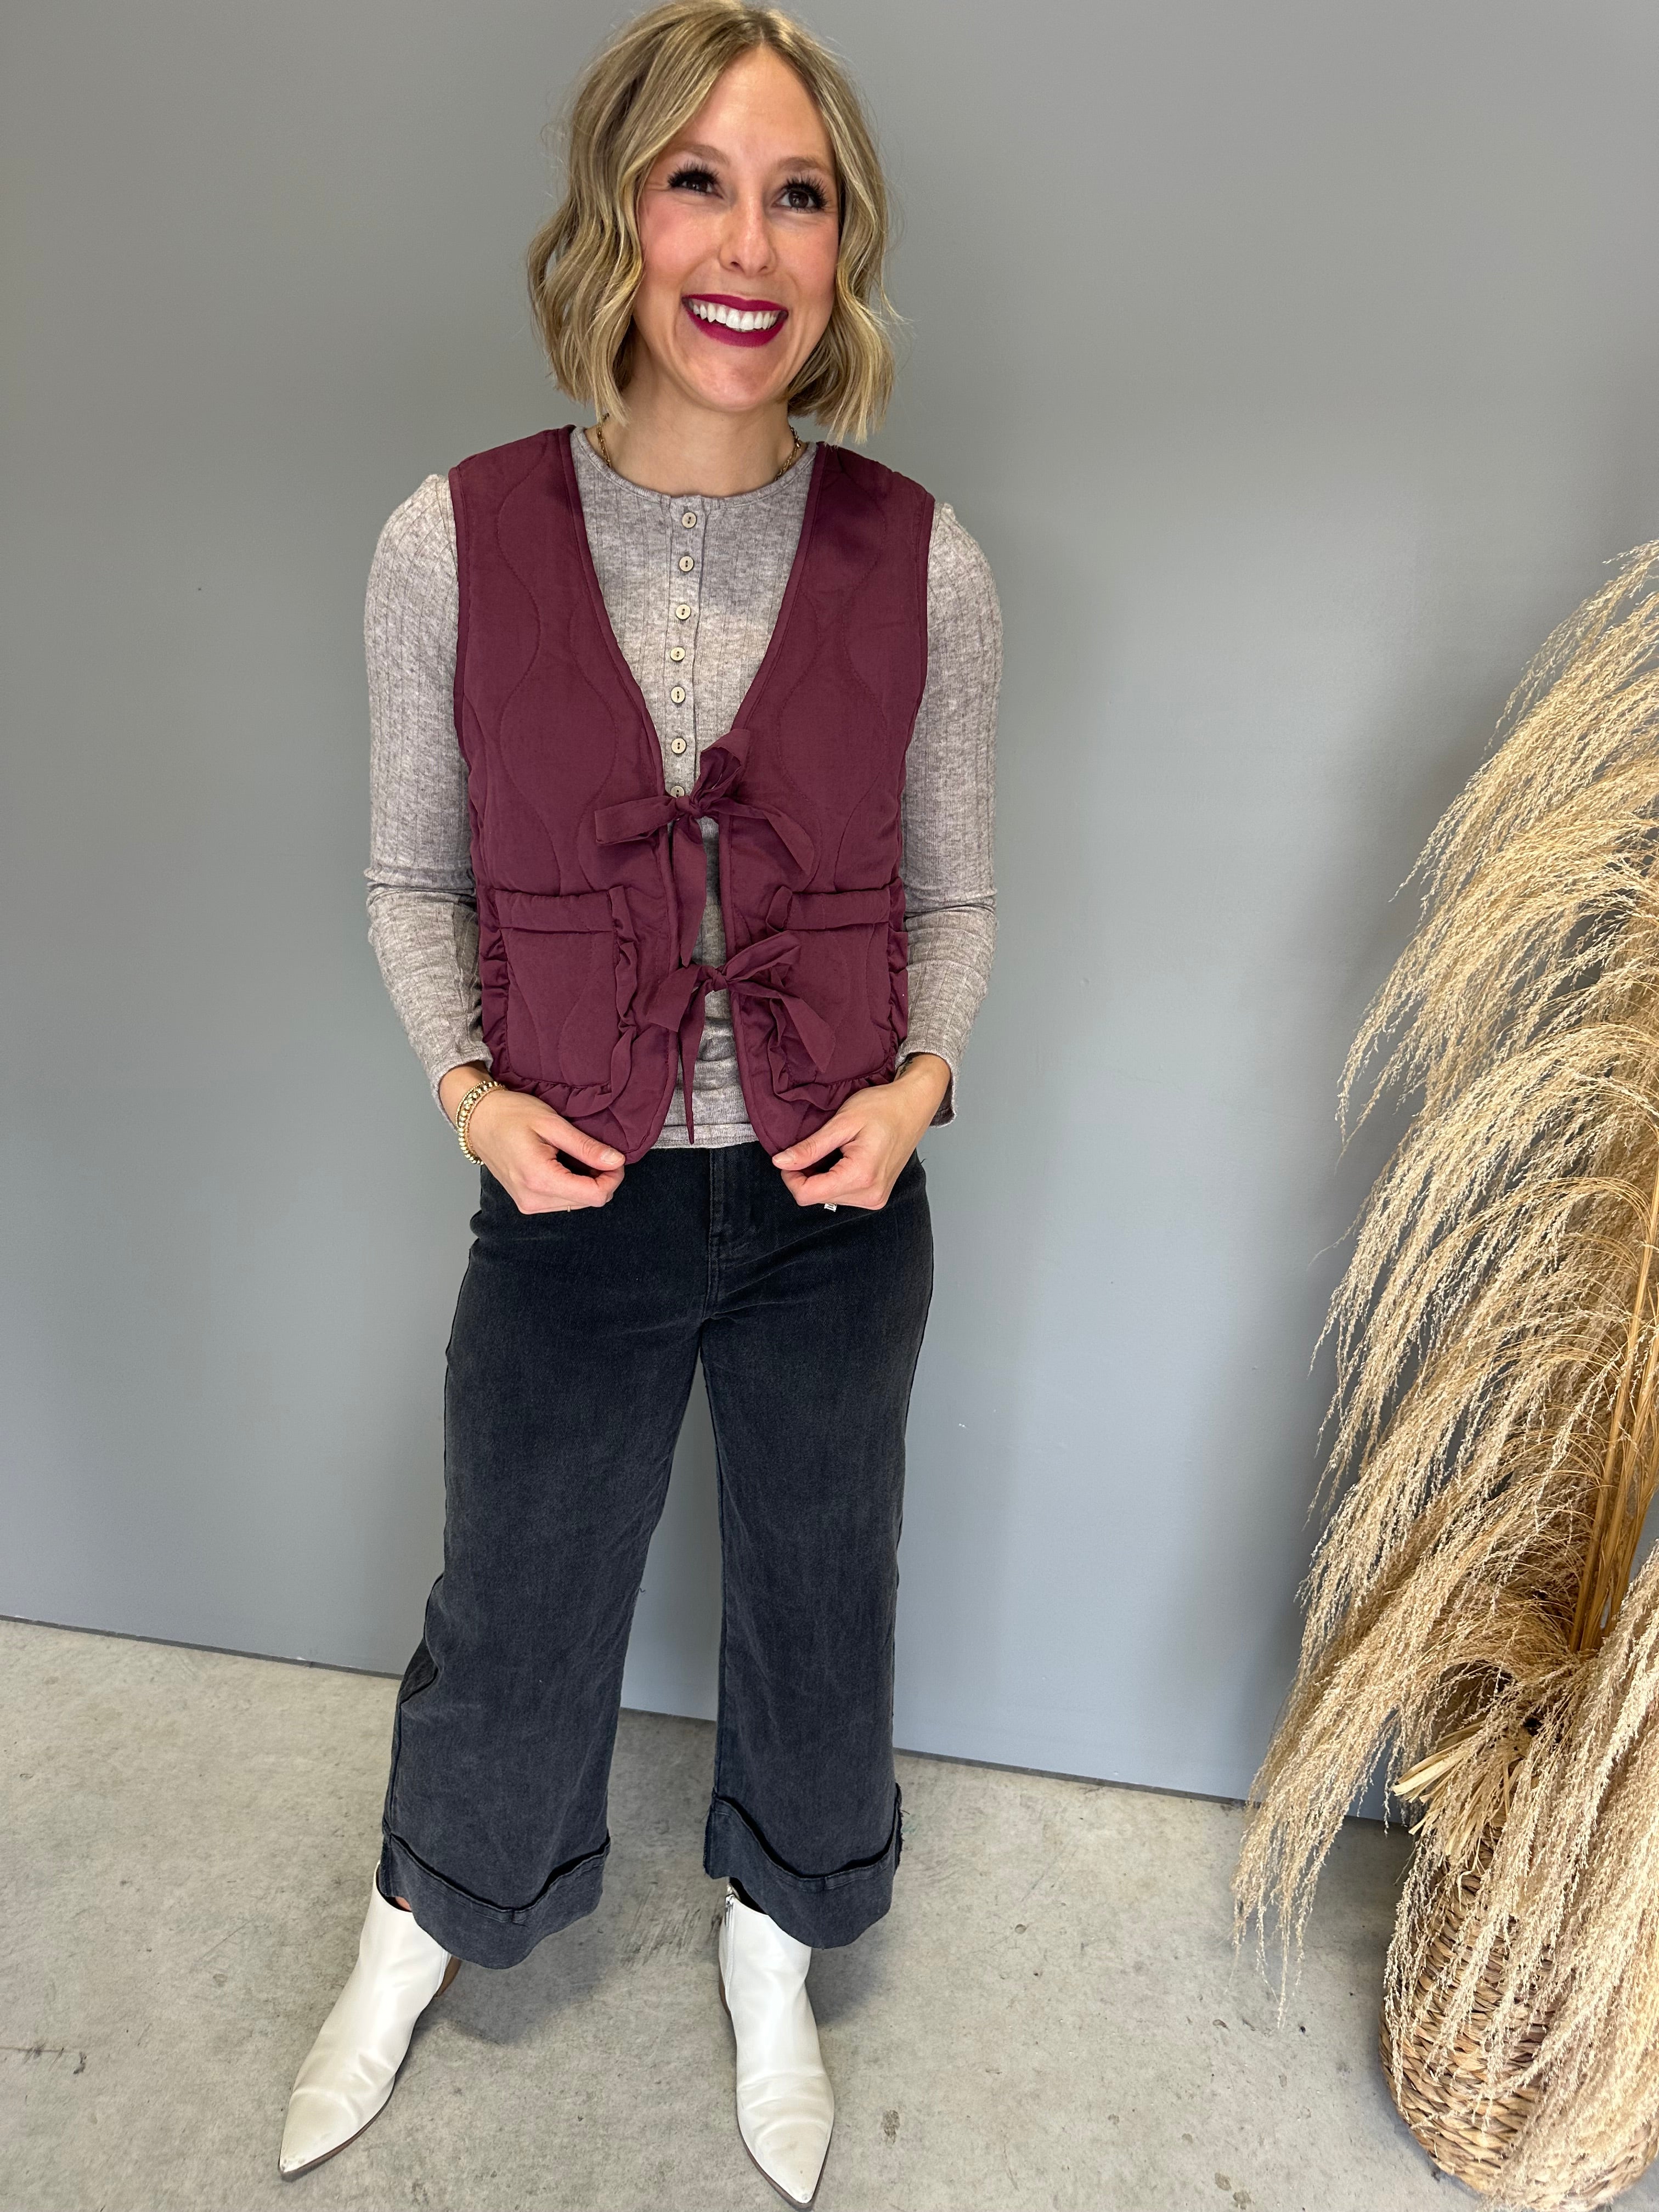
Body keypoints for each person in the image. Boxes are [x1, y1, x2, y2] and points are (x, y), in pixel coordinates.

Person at [278, 3, 998, 2201]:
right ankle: (423, 1919)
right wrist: (469, 1094)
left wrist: (924, 1087)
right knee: (514, 1591)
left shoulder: (927, 561)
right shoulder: (450, 540)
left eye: (799, 195)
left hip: (831, 1204)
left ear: (843, 246)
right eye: (700, 182)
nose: (748, 245)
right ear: (619, 210)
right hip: (570, 1193)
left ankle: (778, 1943)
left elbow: (959, 893)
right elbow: (408, 876)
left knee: (821, 1592)